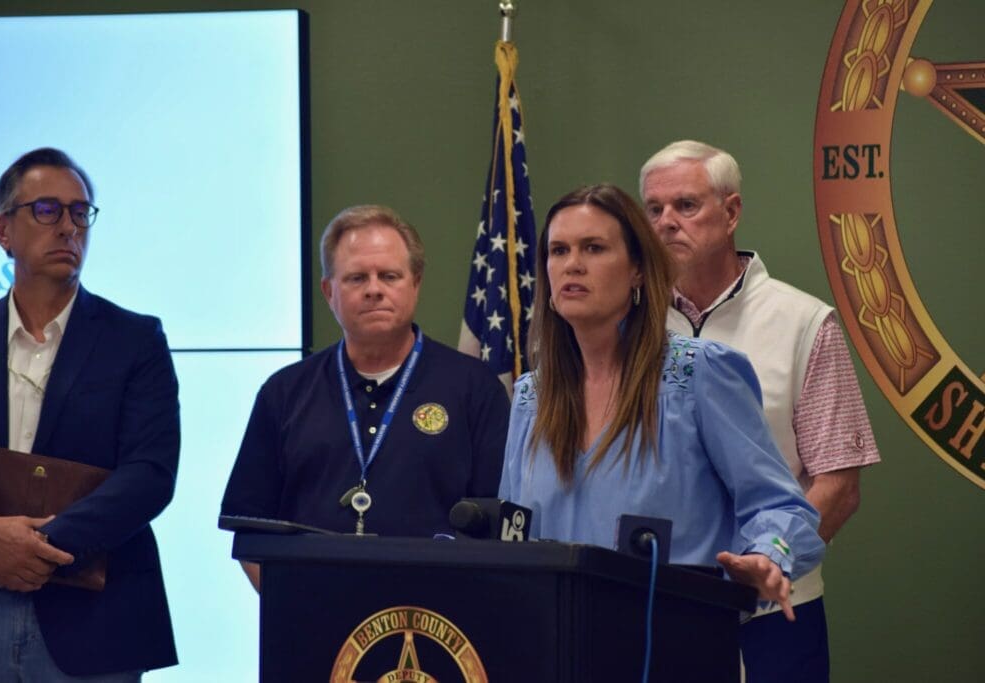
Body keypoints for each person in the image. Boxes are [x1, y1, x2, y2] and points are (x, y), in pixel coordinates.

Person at [501, 183, 824, 625]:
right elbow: (511, 536)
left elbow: (780, 507)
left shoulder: (699, 373)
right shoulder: (531, 397)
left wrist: (768, 556)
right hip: (551, 644)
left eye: (593, 248)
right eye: (558, 251)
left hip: (673, 644)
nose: (572, 264)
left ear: (637, 270)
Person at [640, 140, 881, 682]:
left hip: (772, 609)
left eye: (686, 205)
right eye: (653, 210)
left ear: (731, 213)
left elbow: (838, 483)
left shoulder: (803, 322)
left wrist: (770, 561)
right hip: (653, 606)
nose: (667, 222)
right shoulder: (626, 328)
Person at [0, 148, 180, 681]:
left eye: (80, 213)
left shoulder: (136, 339)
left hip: (94, 619)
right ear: (3, 231)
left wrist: (36, 546)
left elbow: (150, 474)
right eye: (47, 210)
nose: (67, 227)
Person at [222, 205, 509, 591]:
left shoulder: (475, 388)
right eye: (357, 278)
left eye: (389, 276)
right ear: (329, 291)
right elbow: (250, 534)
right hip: (314, 625)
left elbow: (500, 532)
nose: (374, 288)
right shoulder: (284, 393)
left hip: (438, 630)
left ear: (416, 283)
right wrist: (294, 607)